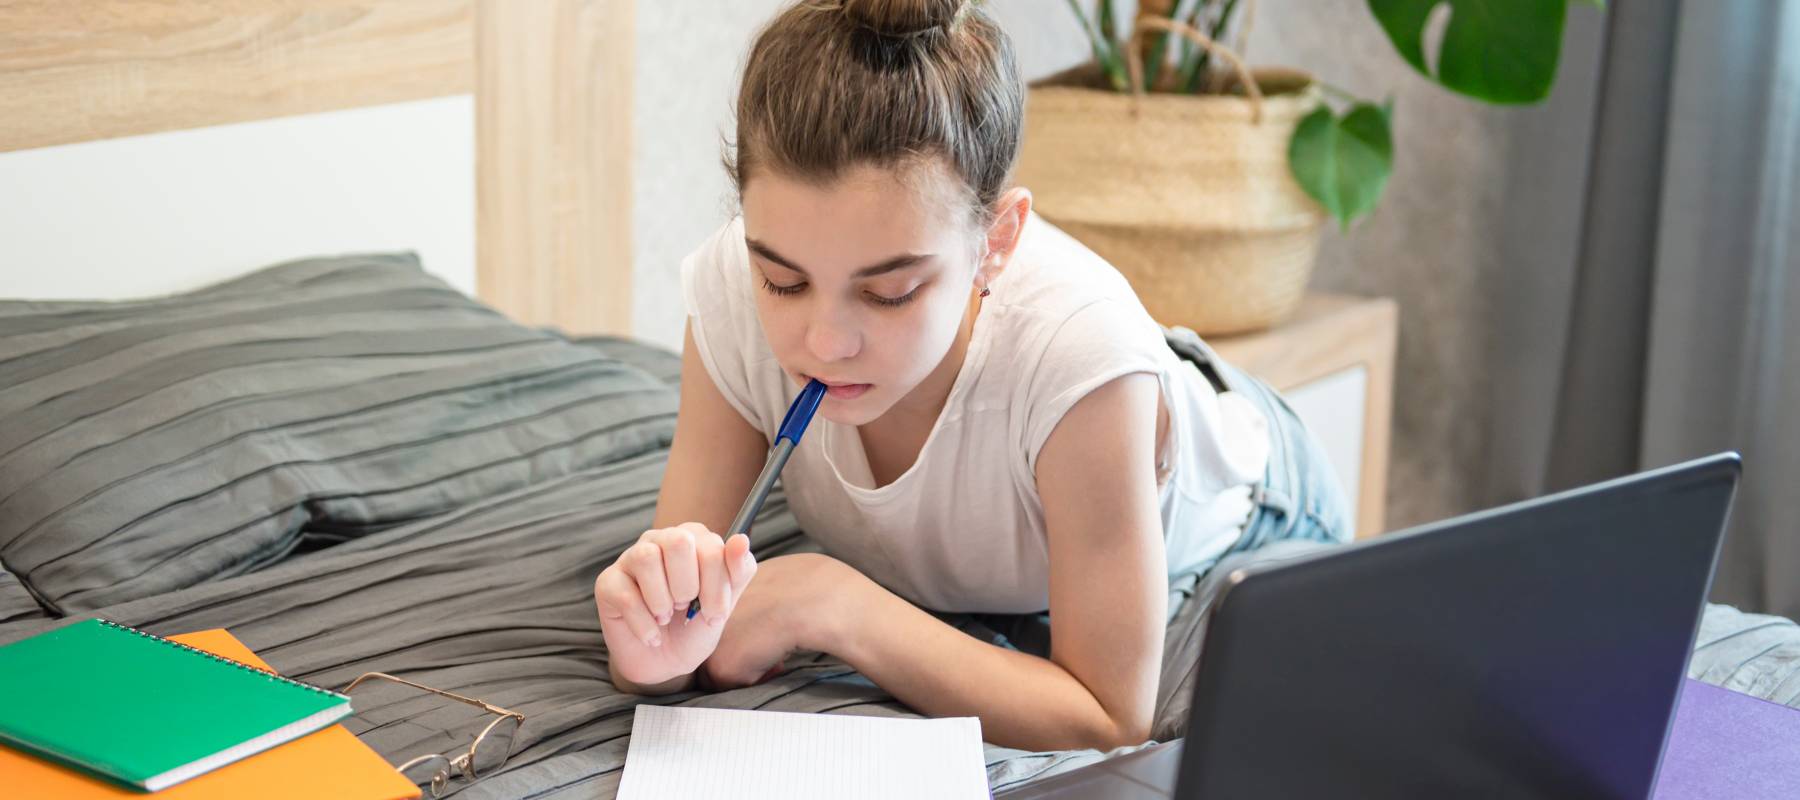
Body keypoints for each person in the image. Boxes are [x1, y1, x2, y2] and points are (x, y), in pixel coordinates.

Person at [593, 0, 1351, 752]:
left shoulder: (1082, 361)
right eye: (783, 282)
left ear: (997, 242)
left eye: (889, 291)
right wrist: (652, 650)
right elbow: (678, 617)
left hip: (1243, 520)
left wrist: (834, 604)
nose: (824, 342)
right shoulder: (729, 294)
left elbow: (1111, 715)